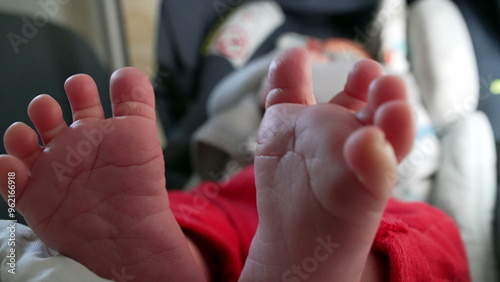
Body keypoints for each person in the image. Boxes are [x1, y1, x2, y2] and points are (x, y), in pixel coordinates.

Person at [0, 48, 469, 281]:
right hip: (257, 169)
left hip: (374, 183)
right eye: (321, 50)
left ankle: (355, 258)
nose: (326, 52)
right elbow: (224, 99)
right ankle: (179, 253)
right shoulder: (257, 75)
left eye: (340, 50)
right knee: (198, 209)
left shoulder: (398, 95)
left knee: (428, 227)